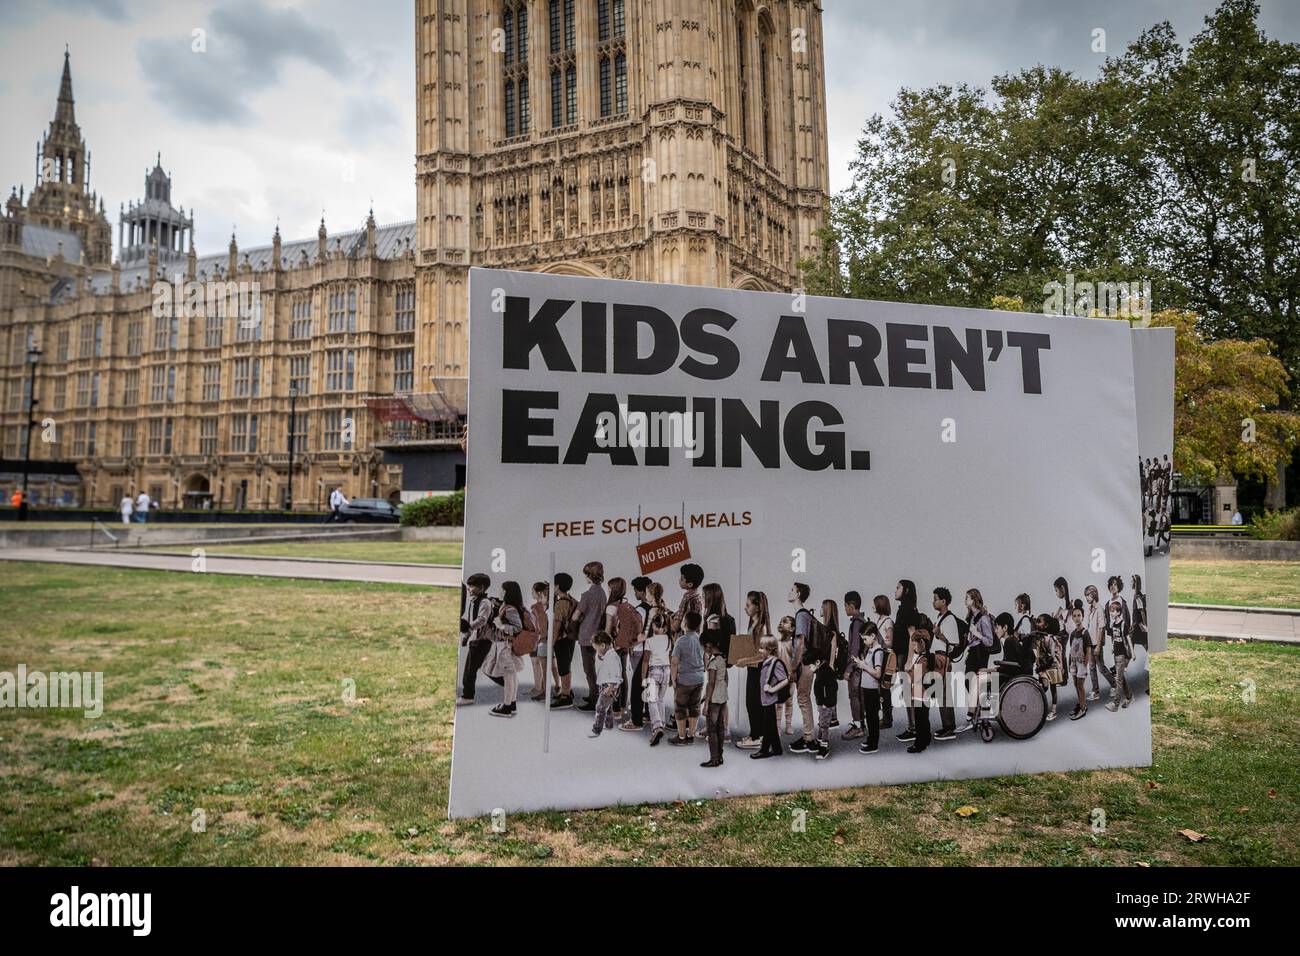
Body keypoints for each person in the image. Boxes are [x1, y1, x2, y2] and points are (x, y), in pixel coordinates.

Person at [734, 590, 772, 750]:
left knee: (753, 703)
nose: (745, 608)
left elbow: (763, 655)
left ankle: (757, 736)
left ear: (757, 607)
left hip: (759, 670)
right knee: (752, 702)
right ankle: (756, 734)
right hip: (753, 669)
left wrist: (744, 660)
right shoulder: (754, 624)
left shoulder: (761, 627)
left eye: (748, 605)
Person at [699, 583, 736, 741]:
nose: (701, 599)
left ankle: (722, 729)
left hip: (716, 659)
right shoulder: (727, 618)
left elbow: (710, 638)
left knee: (715, 695)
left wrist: (704, 641)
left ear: (710, 597)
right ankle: (717, 727)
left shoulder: (712, 617)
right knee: (721, 694)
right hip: (724, 660)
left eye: (703, 596)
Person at [486, 581, 527, 717]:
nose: (500, 592)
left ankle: (507, 706)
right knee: (511, 675)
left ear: (508, 593)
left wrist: (502, 626)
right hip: (506, 645)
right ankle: (512, 703)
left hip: (506, 647)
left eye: (502, 591)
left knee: (508, 675)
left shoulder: (510, 609)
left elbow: (518, 627)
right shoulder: (507, 607)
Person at [619, 575, 654, 730]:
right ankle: (648, 713)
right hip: (652, 650)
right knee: (649, 683)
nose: (635, 594)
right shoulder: (655, 608)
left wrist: (630, 643)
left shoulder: (639, 609)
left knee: (638, 684)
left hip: (639, 649)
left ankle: (637, 718)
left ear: (642, 592)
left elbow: (635, 631)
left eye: (636, 591)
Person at [571, 561, 607, 712]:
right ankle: (594, 694)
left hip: (586, 634)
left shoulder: (587, 595)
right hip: (598, 633)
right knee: (593, 667)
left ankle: (594, 700)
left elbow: (575, 616)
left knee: (588, 669)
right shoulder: (602, 593)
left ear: (590, 576)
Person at [960, 588, 996, 732]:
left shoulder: (983, 618)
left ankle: (975, 716)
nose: (965, 600)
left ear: (974, 600)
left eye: (967, 597)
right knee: (970, 683)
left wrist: (977, 634)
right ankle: (978, 714)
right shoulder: (972, 618)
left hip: (980, 654)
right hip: (973, 653)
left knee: (975, 684)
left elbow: (989, 641)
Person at [668, 610, 706, 746]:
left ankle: (682, 736)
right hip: (699, 679)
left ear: (684, 624)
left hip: (684, 680)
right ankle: (691, 735)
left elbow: (674, 662)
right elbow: (705, 657)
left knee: (680, 708)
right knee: (695, 707)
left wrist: (673, 680)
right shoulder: (700, 639)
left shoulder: (681, 641)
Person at [457, 572, 495, 705]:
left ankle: (468, 696)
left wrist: (467, 629)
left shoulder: (485, 602)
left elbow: (481, 620)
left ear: (482, 587)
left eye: (472, 586)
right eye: (468, 585)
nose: (469, 588)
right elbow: (471, 621)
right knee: (476, 668)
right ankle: (508, 681)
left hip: (483, 641)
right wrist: (466, 638)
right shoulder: (474, 602)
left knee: (470, 670)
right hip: (476, 641)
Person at [603, 577, 639, 716]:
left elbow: (607, 630)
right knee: (623, 674)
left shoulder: (611, 607)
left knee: (613, 676)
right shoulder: (627, 604)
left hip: (614, 646)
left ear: (613, 589)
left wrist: (605, 648)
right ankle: (623, 706)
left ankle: (615, 709)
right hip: (625, 645)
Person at [788, 583, 817, 754]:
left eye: (792, 590)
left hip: (804, 664)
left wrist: (793, 667)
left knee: (803, 699)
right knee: (804, 698)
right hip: (807, 663)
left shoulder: (801, 616)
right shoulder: (804, 615)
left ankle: (809, 738)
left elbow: (800, 644)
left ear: (798, 593)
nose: (789, 592)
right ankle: (808, 736)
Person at [811, 599, 840, 759]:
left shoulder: (830, 632)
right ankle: (822, 739)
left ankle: (824, 744)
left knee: (824, 707)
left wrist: (821, 667)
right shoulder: (826, 630)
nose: (820, 609)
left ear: (827, 610)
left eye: (822, 607)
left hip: (825, 674)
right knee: (822, 707)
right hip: (823, 673)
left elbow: (831, 659)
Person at [752, 636, 790, 759]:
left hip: (770, 699)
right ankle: (777, 748)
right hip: (765, 699)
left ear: (770, 649)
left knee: (767, 726)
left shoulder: (775, 663)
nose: (759, 651)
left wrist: (772, 689)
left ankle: (764, 750)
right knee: (771, 725)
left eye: (762, 648)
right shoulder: (766, 662)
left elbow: (785, 680)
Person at [930, 587, 960, 741]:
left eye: (936, 599)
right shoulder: (941, 618)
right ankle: (947, 726)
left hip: (944, 658)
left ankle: (949, 727)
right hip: (938, 658)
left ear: (944, 601)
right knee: (941, 693)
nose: (933, 601)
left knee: (944, 693)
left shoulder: (949, 619)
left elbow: (954, 642)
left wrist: (939, 635)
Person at [642, 611, 674, 746]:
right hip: (666, 671)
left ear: (654, 626)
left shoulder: (649, 641)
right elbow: (672, 659)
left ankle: (657, 726)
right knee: (660, 699)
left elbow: (645, 661)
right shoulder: (669, 640)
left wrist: (643, 677)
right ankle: (662, 723)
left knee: (651, 700)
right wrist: (672, 676)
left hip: (654, 671)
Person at [549, 572, 579, 709]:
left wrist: (552, 642)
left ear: (557, 586)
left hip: (561, 639)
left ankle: (566, 696)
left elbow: (556, 625)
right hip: (571, 638)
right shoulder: (572, 600)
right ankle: (567, 691)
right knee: (566, 665)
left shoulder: (560, 603)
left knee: (563, 667)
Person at [842, 592, 868, 740]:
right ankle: (860, 725)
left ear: (851, 606)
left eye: (845, 605)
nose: (844, 608)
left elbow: (854, 649)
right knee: (859, 696)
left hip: (856, 668)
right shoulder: (862, 621)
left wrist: (849, 669)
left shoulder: (857, 623)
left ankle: (858, 727)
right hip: (860, 667)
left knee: (855, 696)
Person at [855, 620, 885, 754]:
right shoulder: (871, 650)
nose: (864, 642)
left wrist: (863, 666)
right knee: (869, 716)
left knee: (872, 717)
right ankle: (871, 738)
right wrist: (861, 663)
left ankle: (873, 744)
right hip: (867, 688)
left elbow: (878, 673)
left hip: (873, 689)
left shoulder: (878, 651)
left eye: (865, 639)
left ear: (873, 636)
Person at [700, 637, 728, 767]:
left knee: (712, 729)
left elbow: (710, 683)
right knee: (720, 728)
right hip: (722, 696)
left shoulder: (712, 663)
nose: (704, 650)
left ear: (709, 646)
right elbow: (725, 680)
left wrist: (706, 703)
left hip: (714, 698)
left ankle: (714, 758)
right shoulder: (722, 660)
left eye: (705, 647)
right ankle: (720, 756)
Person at [1083, 585, 1114, 701]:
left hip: (1097, 644)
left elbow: (1101, 628)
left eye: (1088, 595)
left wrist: (1099, 646)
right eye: (1085, 595)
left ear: (1094, 595)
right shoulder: (1090, 609)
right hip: (1090, 643)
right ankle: (1095, 691)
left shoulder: (1099, 609)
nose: (1086, 598)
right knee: (1091, 668)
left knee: (1101, 668)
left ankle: (1115, 685)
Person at [588, 632, 623, 736]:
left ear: (603, 645)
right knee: (607, 707)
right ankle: (608, 724)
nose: (596, 651)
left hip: (609, 686)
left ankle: (597, 729)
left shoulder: (612, 658)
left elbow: (616, 674)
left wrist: (611, 687)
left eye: (596, 648)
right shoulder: (607, 655)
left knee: (600, 707)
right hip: (605, 685)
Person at [905, 624, 933, 754]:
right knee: (924, 719)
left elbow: (916, 676)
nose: (914, 647)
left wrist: (908, 672)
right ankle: (926, 738)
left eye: (915, 645)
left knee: (920, 720)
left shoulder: (923, 660)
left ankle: (919, 743)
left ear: (922, 643)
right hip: (923, 695)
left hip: (920, 695)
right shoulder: (924, 658)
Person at [872, 595, 897, 729]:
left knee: (884, 688)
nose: (872, 606)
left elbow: (889, 642)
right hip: (880, 656)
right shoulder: (880, 620)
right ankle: (885, 717)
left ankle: (887, 718)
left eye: (874, 603)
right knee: (880, 688)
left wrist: (878, 644)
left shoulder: (887, 621)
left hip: (885, 657)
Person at [1106, 599, 1135, 711]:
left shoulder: (1123, 624)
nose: (1111, 613)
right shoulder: (1114, 624)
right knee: (1121, 677)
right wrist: (1112, 647)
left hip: (1122, 655)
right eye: (1111, 611)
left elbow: (1128, 639)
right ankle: (1129, 696)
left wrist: (1132, 653)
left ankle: (1115, 704)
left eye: (1113, 611)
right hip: (1116, 654)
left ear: (1118, 612)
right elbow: (1114, 638)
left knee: (1118, 679)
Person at [1033, 613, 1063, 721]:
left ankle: (1053, 710)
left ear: (1045, 625)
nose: (1037, 624)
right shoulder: (1040, 637)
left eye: (1039, 622)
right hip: (1044, 667)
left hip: (1052, 666)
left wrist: (1041, 667)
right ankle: (1040, 707)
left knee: (1053, 688)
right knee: (1044, 686)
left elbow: (1051, 658)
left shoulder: (1049, 639)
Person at [1066, 604, 1092, 720]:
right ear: (1072, 618)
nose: (1077, 618)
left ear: (1083, 617)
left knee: (1080, 685)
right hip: (1073, 662)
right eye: (1075, 616)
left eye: (1079, 615)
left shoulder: (1085, 633)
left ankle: (1082, 709)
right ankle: (1082, 704)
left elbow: (1088, 650)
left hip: (1081, 663)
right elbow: (1071, 650)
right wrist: (1069, 664)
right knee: (1076, 684)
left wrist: (1084, 665)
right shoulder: (1072, 634)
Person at [775, 614, 797, 735]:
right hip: (778, 678)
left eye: (785, 622)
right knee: (778, 703)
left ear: (792, 628)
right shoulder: (777, 643)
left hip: (790, 677)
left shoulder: (793, 644)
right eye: (780, 621)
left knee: (789, 701)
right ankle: (777, 726)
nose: (781, 623)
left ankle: (788, 724)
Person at [528, 581, 550, 701]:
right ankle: (538, 686)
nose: (531, 592)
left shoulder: (536, 607)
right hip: (539, 637)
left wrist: (540, 636)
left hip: (537, 638)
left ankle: (538, 687)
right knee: (538, 663)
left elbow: (540, 624)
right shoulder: (544, 605)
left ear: (539, 593)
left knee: (537, 663)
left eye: (533, 590)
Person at [994, 612, 1033, 678]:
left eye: (997, 628)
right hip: (1016, 675)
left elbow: (1010, 667)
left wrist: (992, 670)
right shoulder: (1013, 640)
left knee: (982, 679)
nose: (995, 631)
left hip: (1012, 676)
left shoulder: (1009, 641)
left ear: (1005, 627)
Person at [672, 563, 705, 636]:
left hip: (683, 639)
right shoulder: (699, 597)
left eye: (682, 579)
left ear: (690, 584)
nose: (679, 580)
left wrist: (669, 619)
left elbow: (675, 627)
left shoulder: (686, 598)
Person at [1130, 574, 1148, 650]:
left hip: (1138, 625)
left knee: (1132, 640)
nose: (1130, 583)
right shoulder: (1136, 595)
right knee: (1142, 642)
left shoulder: (1137, 596)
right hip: (1136, 624)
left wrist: (1145, 624)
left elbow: (1142, 611)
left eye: (1132, 582)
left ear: (1135, 583)